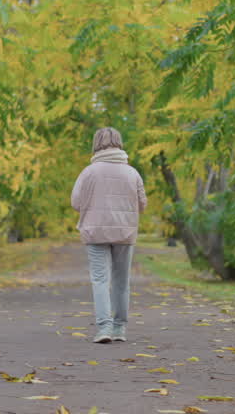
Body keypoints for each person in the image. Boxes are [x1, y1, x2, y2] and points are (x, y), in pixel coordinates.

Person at [70, 126, 148, 343]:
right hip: (125, 231)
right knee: (122, 281)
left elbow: (75, 203)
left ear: (96, 144)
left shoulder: (88, 172)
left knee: (100, 280)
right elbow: (142, 205)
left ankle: (104, 328)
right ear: (119, 143)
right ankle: (120, 328)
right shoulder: (132, 173)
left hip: (95, 231)